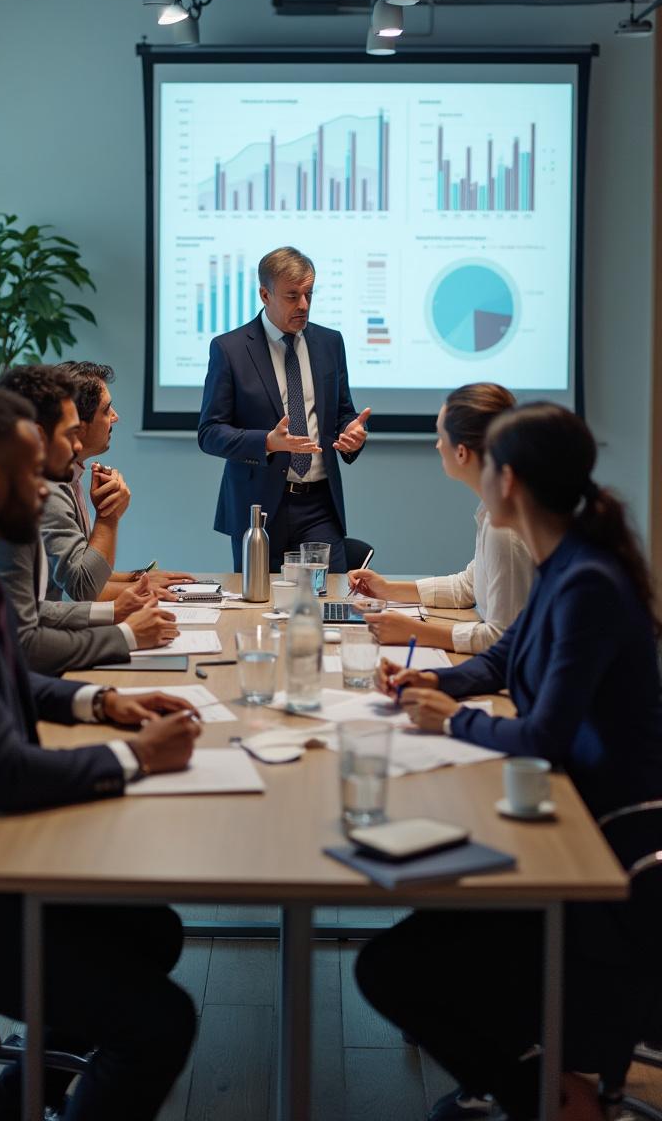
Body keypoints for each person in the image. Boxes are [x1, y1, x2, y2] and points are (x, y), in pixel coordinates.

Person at [0, 386, 202, 1121]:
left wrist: (99, 702)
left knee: (150, 928)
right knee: (162, 1023)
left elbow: (8, 679)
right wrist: (138, 759)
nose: (49, 491)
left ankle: (8, 1105)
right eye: (36, 475)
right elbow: (5, 773)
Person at [356, 403, 662, 1121]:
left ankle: (550, 1096)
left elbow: (546, 736)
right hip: (565, 822)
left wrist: (450, 717)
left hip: (599, 861)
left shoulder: (586, 580)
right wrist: (432, 682)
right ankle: (537, 1081)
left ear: (509, 481)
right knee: (409, 952)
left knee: (393, 969)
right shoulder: (570, 561)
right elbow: (502, 656)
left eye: (486, 464)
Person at [0, 365, 177, 675]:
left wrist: (116, 607)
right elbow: (81, 588)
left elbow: (31, 610)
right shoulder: (33, 500)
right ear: (37, 436)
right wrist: (109, 517)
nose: (77, 445)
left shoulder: (35, 494)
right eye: (70, 432)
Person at [198, 245, 371, 572]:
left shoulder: (330, 343)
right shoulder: (230, 349)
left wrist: (352, 432)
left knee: (328, 601)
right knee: (259, 608)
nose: (303, 305)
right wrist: (266, 442)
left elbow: (343, 412)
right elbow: (209, 433)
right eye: (292, 296)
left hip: (320, 505)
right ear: (265, 294)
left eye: (309, 294)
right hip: (258, 509)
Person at [349, 383, 534, 652]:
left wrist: (416, 633)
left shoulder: (504, 526)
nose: (437, 445)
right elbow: (468, 586)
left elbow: (504, 639)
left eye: (441, 436)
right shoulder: (493, 506)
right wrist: (388, 589)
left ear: (462, 452)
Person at [42, 360, 194, 602]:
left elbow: (82, 572)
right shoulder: (50, 488)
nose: (115, 417)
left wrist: (138, 578)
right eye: (106, 410)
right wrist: (108, 516)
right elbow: (84, 589)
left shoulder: (72, 477)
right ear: (77, 425)